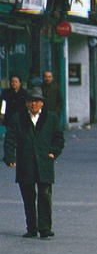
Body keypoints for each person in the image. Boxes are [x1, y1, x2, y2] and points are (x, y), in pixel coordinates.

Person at [4, 87, 65, 239]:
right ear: (26, 103)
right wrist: (10, 157)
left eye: (37, 101)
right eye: (31, 101)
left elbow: (59, 138)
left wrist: (53, 152)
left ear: (42, 103)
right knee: (28, 197)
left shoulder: (51, 119)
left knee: (45, 195)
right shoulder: (18, 119)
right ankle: (31, 228)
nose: (34, 104)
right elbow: (10, 139)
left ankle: (45, 228)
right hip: (26, 163)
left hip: (44, 162)